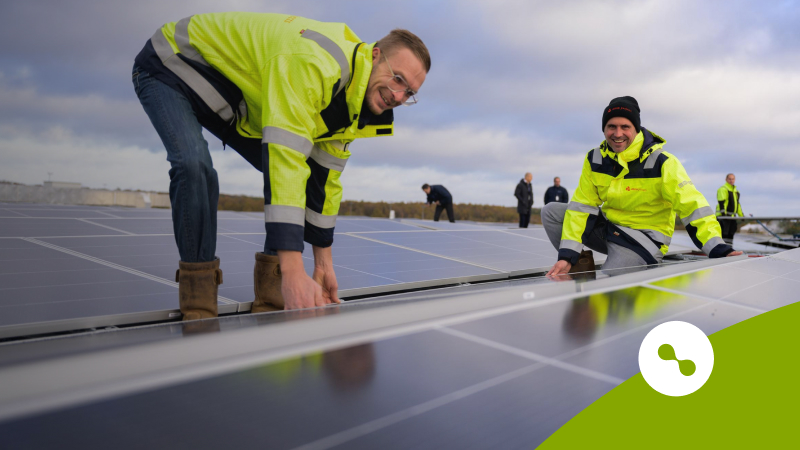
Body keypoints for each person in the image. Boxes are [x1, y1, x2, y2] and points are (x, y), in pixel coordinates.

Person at [133, 13, 430, 319]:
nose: (398, 96)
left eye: (409, 93)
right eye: (398, 79)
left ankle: (272, 300)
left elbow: (323, 183)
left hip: (229, 90)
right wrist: (293, 270)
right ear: (375, 55)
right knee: (194, 165)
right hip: (173, 63)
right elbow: (285, 157)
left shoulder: (355, 102)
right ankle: (199, 305)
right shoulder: (317, 64)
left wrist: (323, 265)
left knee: (300, 176)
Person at [543, 96, 742, 277]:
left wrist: (717, 247)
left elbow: (692, 206)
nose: (617, 133)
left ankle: (633, 266)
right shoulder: (595, 159)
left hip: (643, 241)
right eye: (611, 126)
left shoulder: (662, 162)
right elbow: (582, 207)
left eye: (625, 127)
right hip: (611, 229)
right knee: (551, 212)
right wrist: (567, 255)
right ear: (604, 129)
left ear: (636, 129)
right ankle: (577, 267)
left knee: (609, 283)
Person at [716, 173, 743, 245]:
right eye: (729, 179)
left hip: (732, 217)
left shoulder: (736, 191)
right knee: (724, 234)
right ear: (726, 179)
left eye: (733, 179)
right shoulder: (723, 189)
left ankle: (729, 250)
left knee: (731, 234)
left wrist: (741, 215)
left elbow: (737, 204)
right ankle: (722, 250)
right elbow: (722, 202)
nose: (731, 180)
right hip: (724, 216)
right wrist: (723, 213)